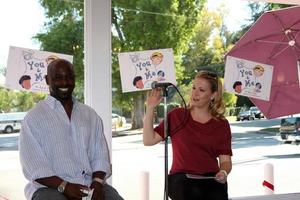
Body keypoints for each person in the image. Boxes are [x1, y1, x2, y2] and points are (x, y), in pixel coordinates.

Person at [19, 59, 123, 200]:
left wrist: (97, 183)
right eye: (58, 78)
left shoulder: (90, 115)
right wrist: (65, 186)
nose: (64, 82)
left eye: (69, 77)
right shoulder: (33, 118)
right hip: (50, 189)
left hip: (89, 186)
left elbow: (100, 156)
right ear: (47, 80)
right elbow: (35, 167)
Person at [143, 70, 232, 200]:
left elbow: (225, 161)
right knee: (191, 192)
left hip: (210, 179)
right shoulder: (177, 116)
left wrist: (223, 172)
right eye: (194, 88)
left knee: (218, 194)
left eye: (201, 90)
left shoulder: (221, 124)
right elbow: (148, 140)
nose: (195, 93)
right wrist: (150, 107)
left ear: (213, 95)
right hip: (181, 179)